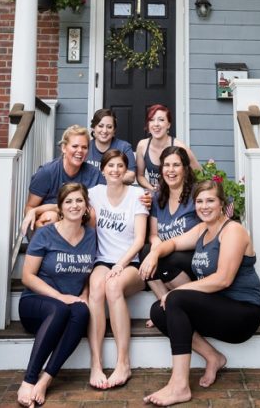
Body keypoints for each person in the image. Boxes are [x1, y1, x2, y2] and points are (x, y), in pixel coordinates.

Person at [141, 179, 260, 406]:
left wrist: (179, 291)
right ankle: (213, 357)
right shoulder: (201, 230)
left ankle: (179, 386)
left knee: (174, 299)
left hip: (243, 313)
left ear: (222, 205)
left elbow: (223, 279)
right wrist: (154, 253)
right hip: (218, 308)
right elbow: (173, 244)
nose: (204, 206)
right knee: (159, 311)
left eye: (210, 201)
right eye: (199, 201)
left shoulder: (233, 231)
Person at [17, 182, 97, 407]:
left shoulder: (91, 236)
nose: (74, 205)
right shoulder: (44, 234)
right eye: (68, 201)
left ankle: (45, 379)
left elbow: (91, 271)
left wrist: (84, 293)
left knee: (82, 311)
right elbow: (28, 277)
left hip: (69, 305)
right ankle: (28, 380)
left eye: (79, 200)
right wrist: (60, 297)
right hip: (35, 304)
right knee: (61, 308)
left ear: (86, 206)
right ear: (60, 207)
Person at [85, 149, 148, 390]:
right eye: (110, 166)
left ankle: (123, 363)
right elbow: (65, 202)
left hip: (130, 263)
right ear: (102, 170)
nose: (115, 170)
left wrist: (121, 264)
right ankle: (96, 363)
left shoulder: (137, 195)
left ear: (126, 171)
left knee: (113, 286)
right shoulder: (93, 194)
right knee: (96, 289)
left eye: (120, 166)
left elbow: (140, 240)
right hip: (102, 260)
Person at [139, 147, 200, 315]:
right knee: (145, 252)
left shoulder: (196, 194)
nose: (170, 170)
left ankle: (190, 303)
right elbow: (153, 234)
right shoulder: (158, 196)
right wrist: (156, 244)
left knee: (167, 259)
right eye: (166, 165)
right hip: (167, 255)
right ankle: (166, 305)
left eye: (176, 165)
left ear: (185, 169)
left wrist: (157, 252)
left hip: (191, 256)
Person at [22, 125, 104, 232]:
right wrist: (37, 222)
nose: (80, 151)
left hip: (79, 220)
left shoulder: (94, 174)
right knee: (50, 217)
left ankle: (88, 247)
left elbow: (104, 204)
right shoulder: (47, 172)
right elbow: (30, 207)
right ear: (64, 148)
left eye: (84, 147)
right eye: (75, 146)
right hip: (49, 224)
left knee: (92, 213)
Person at [135, 104, 201, 191]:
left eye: (161, 120)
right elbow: (140, 176)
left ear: (168, 125)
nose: (156, 124)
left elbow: (200, 175)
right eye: (152, 120)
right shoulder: (142, 146)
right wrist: (152, 189)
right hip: (155, 197)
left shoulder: (180, 147)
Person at [86, 108, 137, 185]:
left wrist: (101, 178)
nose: (104, 130)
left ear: (114, 130)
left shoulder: (124, 147)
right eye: (100, 126)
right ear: (93, 128)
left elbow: (131, 176)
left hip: (116, 193)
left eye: (109, 127)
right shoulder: (85, 147)